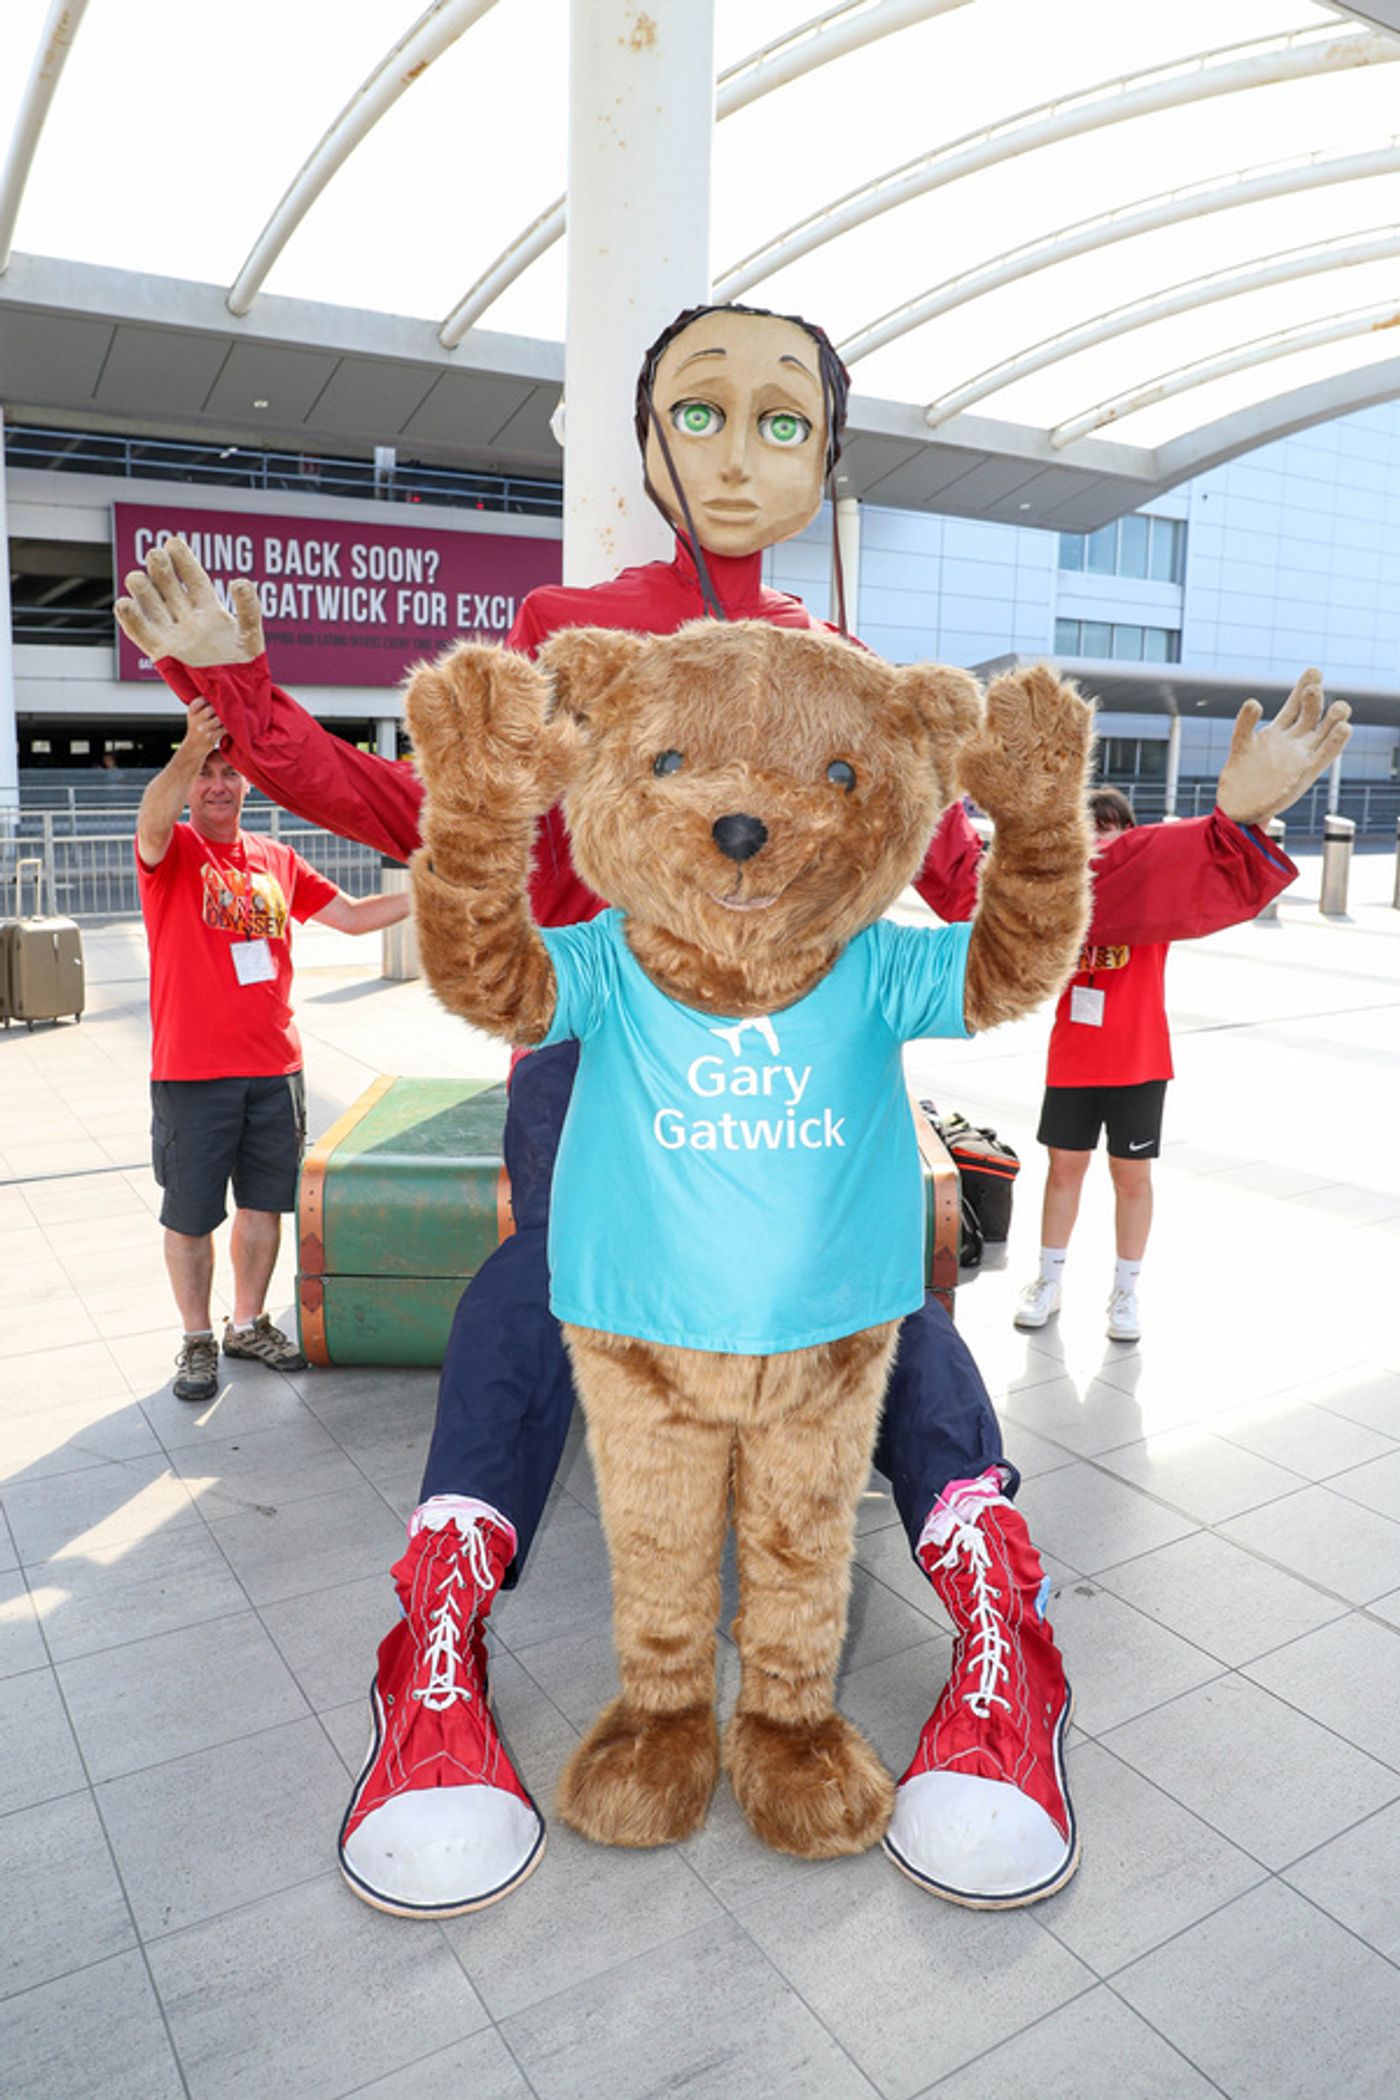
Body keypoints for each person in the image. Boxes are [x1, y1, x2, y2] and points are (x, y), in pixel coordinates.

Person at [115, 299, 1341, 1921]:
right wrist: (248, 699)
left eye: (784, 421)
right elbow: (424, 808)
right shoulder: (576, 639)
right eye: (702, 413)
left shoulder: (855, 683)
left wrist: (1234, 842)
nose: (741, 449)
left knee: (891, 1295)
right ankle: (435, 1657)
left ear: (826, 460)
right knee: (541, 1275)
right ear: (647, 446)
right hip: (601, 1043)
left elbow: (1010, 894)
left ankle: (1002, 1639)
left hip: (811, 1056)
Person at [1011, 685, 1349, 1342]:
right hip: (1073, 1057)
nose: (1103, 841)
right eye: (1093, 829)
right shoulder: (1060, 904)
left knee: (1130, 1176)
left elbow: (1204, 860)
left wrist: (1243, 816)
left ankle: (1125, 1292)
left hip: (1139, 1059)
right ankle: (1048, 1280)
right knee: (1064, 1168)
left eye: (1113, 828)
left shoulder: (1153, 899)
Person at [135, 700, 410, 1403]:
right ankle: (197, 1339)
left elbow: (350, 917)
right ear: (191, 782)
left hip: (275, 1067)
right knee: (190, 1215)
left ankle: (247, 1323)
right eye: (207, 773)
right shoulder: (171, 854)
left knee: (265, 1208)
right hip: (193, 1072)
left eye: (230, 772)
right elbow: (152, 819)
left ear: (248, 784)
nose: (219, 785)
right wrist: (188, 750)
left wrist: (436, 884)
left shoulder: (276, 860)